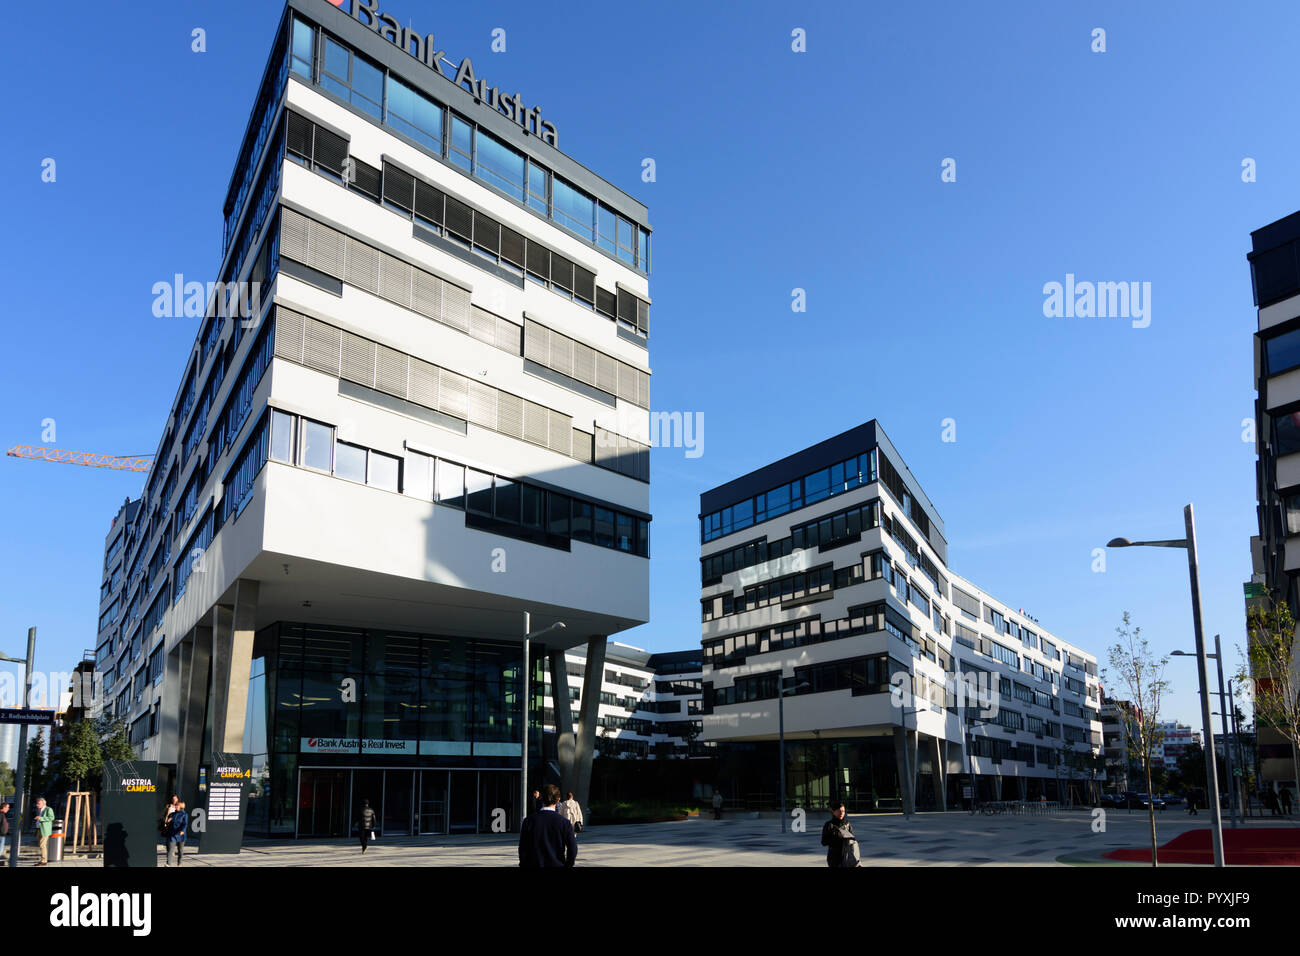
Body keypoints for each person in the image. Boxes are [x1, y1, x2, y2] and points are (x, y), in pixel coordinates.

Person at [518, 784, 576, 868]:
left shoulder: (528, 821)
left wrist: (523, 864)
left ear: (541, 798)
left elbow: (523, 848)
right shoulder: (565, 823)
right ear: (558, 799)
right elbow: (573, 849)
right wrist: (567, 865)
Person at [820, 801, 859, 868]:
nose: (841, 813)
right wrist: (837, 836)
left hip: (847, 855)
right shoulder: (829, 825)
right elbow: (824, 842)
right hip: (834, 858)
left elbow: (853, 839)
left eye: (843, 811)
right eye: (839, 811)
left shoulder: (847, 824)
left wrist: (848, 837)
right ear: (833, 811)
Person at [165, 800, 188, 866]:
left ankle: (179, 863)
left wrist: (182, 830)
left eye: (177, 805)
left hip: (181, 835)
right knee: (170, 850)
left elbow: (185, 824)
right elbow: (167, 824)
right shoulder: (172, 814)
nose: (175, 806)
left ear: (181, 806)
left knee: (180, 850)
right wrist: (168, 821)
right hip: (172, 834)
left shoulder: (184, 814)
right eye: (175, 805)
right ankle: (168, 864)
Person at [33, 797, 54, 866]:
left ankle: (44, 860)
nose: (37, 805)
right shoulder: (40, 810)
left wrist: (41, 818)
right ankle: (43, 859)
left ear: (43, 803)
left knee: (42, 845)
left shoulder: (48, 809)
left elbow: (52, 817)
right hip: (39, 829)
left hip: (45, 830)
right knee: (41, 845)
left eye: (38, 803)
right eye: (37, 803)